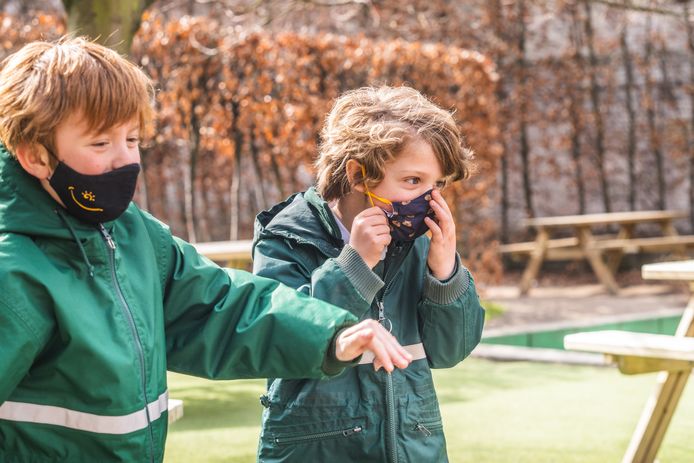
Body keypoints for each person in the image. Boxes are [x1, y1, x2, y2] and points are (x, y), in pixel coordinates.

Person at [0, 38, 412, 462]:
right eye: (100, 145)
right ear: (35, 155)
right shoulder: (13, 269)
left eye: (132, 139)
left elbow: (221, 306)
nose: (124, 160)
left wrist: (330, 334)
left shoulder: (132, 236)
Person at [253, 86, 486, 462]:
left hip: (415, 448)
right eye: (413, 181)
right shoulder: (285, 237)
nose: (429, 199)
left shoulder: (417, 243)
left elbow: (451, 351)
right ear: (358, 174)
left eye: (437, 185)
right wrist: (354, 264)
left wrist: (445, 275)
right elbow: (278, 338)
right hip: (317, 450)